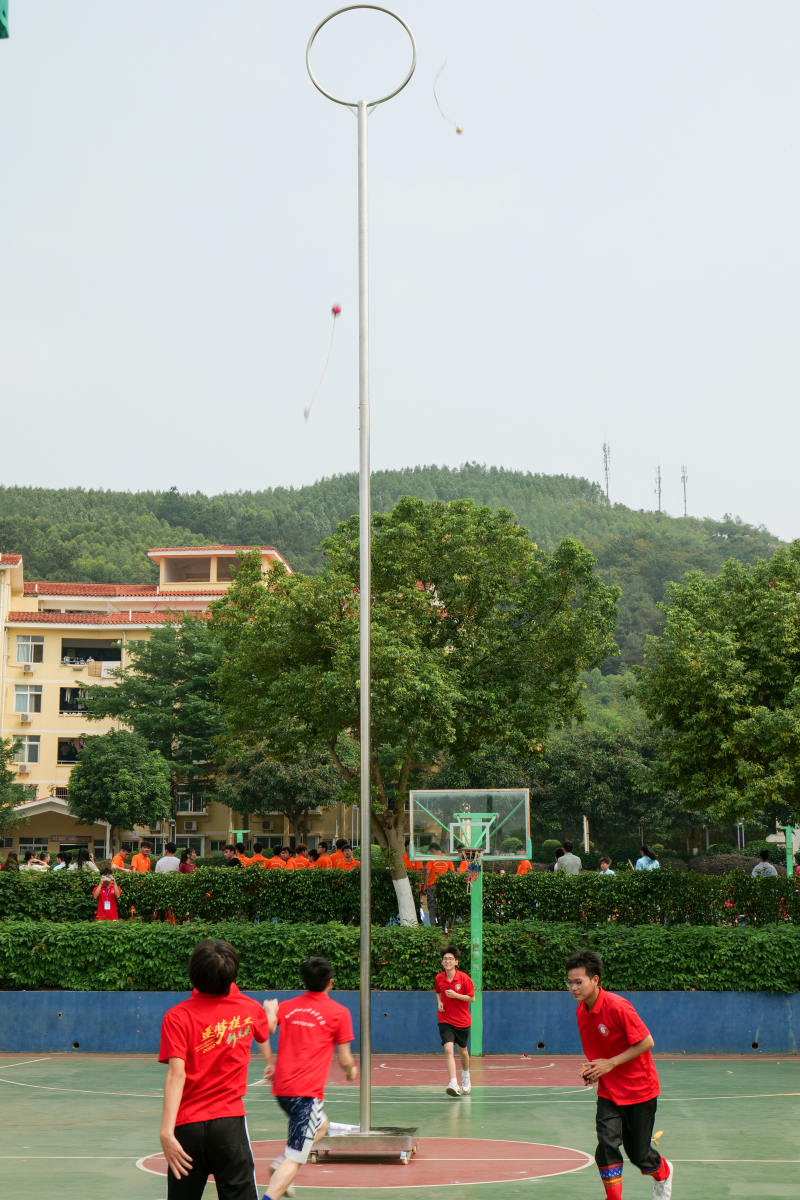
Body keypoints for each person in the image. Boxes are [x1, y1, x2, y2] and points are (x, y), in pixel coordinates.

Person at [158, 938, 274, 1199]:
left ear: (193, 973)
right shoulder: (251, 1009)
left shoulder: (177, 1016)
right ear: (232, 975)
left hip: (187, 1127)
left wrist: (166, 1131)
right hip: (229, 1126)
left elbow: (176, 1074)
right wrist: (272, 1013)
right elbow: (266, 1027)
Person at [567, 948, 673, 1199]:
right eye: (569, 983)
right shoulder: (581, 1011)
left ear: (595, 980)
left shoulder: (617, 1006)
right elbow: (600, 1052)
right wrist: (595, 1071)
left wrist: (610, 1064)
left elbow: (647, 1042)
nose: (573, 988)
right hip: (609, 1092)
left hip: (640, 1090)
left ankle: (664, 1172)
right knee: (606, 1145)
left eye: (579, 982)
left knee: (639, 1155)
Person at [261, 955, 357, 1200]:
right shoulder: (339, 1013)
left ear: (304, 980)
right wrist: (350, 1072)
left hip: (282, 1090)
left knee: (322, 1125)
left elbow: (266, 1029)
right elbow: (345, 1060)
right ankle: (273, 1185)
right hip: (305, 1095)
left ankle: (281, 1163)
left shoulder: (288, 1006)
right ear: (330, 982)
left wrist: (270, 1011)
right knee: (296, 1157)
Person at [435, 944, 475, 1097]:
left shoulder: (464, 978)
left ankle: (465, 1075)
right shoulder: (439, 978)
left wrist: (456, 995)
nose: (447, 961)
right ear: (442, 962)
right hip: (445, 1019)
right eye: (445, 959)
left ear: (456, 961)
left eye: (451, 959)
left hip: (462, 1021)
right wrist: (439, 1002)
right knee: (448, 1049)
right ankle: (453, 1082)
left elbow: (472, 998)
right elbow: (438, 991)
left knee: (463, 1051)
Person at [423, 846, 454, 926]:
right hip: (443, 886)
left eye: (430, 852)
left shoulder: (432, 859)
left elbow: (427, 872)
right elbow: (452, 872)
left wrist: (425, 885)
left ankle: (433, 925)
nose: (430, 854)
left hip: (432, 885)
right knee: (442, 905)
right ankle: (442, 925)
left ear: (433, 850)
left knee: (431, 905)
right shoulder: (447, 859)